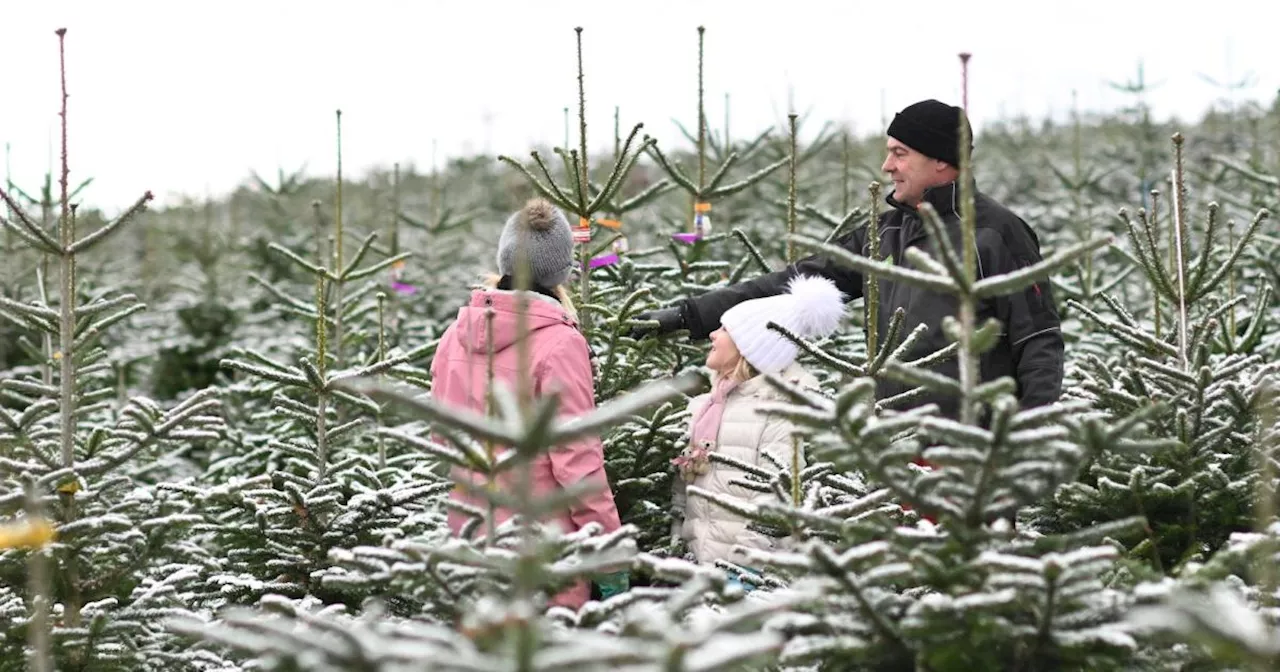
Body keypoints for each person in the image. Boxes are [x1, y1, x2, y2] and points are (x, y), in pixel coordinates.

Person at [632, 99, 1063, 421]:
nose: (886, 165)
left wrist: (1025, 437)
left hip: (971, 450)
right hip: (893, 442)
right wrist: (690, 315)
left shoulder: (996, 233)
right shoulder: (888, 232)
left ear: (941, 161)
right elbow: (796, 281)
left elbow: (1037, 339)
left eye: (900, 153)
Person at [429, 197, 628, 609]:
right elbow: (578, 463)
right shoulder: (560, 343)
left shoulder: (455, 334)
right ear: (561, 271)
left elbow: (442, 439)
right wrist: (609, 559)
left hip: (470, 546)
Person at [671, 274, 846, 588]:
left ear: (750, 346)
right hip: (697, 568)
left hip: (742, 577)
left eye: (724, 329)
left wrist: (743, 571)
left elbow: (776, 499)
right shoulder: (705, 407)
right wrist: (679, 547)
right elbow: (684, 494)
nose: (712, 334)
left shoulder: (777, 412)